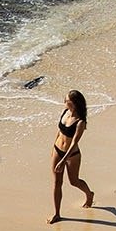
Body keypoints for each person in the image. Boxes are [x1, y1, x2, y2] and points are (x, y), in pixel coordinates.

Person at [50, 89, 94, 223]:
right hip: (58, 150)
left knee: (74, 181)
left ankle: (89, 194)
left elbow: (74, 142)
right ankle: (57, 214)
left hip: (72, 154)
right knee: (57, 182)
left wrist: (64, 160)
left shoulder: (80, 122)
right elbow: (59, 131)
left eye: (67, 100)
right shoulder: (65, 112)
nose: (64, 102)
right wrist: (53, 148)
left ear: (74, 104)